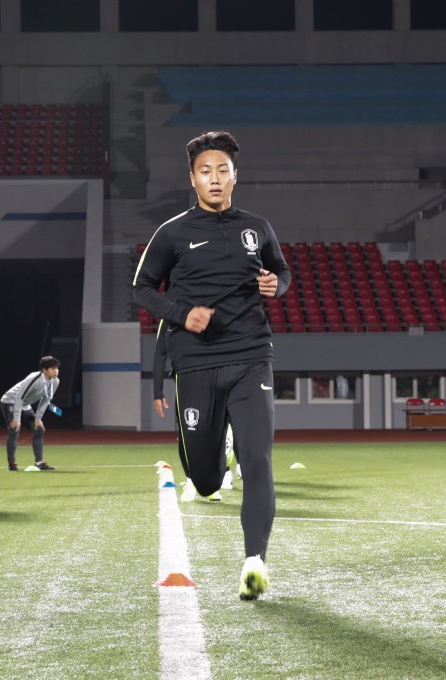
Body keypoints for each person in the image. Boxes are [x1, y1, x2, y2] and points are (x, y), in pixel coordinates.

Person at [133, 130, 291, 600]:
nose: (215, 178)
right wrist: (183, 315)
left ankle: (254, 561)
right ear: (193, 179)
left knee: (258, 459)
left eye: (223, 170)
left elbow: (282, 272)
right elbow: (142, 289)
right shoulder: (172, 233)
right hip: (196, 364)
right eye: (206, 171)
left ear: (235, 176)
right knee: (204, 479)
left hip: (250, 357)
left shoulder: (258, 227)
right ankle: (211, 465)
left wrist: (274, 286)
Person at [151, 325, 234, 499]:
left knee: (216, 430)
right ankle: (191, 481)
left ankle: (212, 485)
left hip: (215, 375)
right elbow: (160, 351)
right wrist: (157, 392)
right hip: (185, 377)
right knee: (188, 431)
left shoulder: (214, 307)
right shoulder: (170, 311)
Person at [0, 355, 61, 471]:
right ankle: (12, 463)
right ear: (44, 370)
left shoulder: (55, 381)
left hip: (25, 404)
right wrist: (16, 418)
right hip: (11, 401)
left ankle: (39, 462)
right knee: (14, 429)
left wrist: (38, 419)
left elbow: (46, 400)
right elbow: (19, 397)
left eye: (57, 368)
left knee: (39, 429)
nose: (56, 371)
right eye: (53, 368)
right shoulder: (34, 378)